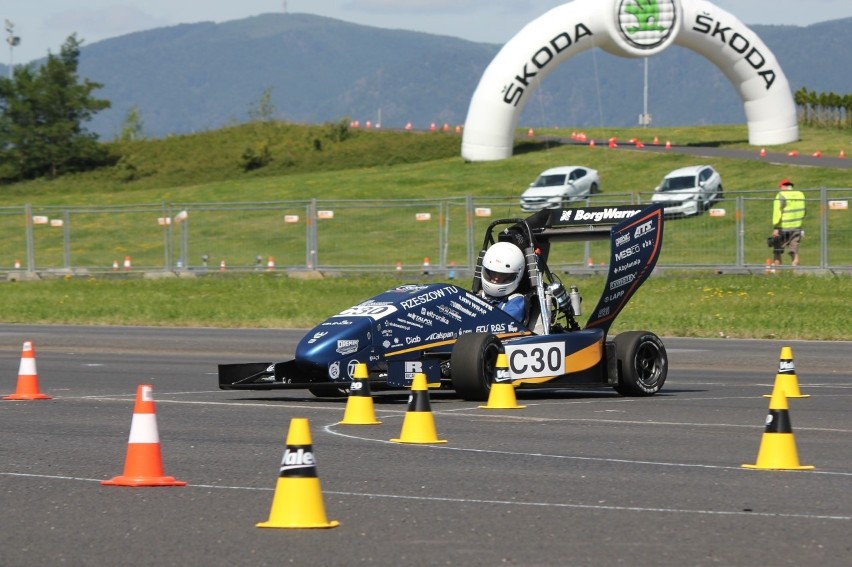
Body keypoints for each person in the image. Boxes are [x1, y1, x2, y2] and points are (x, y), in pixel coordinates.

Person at [479, 241, 526, 321]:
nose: (496, 278)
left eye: (503, 275)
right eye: (493, 273)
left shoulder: (516, 301)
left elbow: (504, 323)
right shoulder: (480, 296)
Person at [771, 178, 806, 267]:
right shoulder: (800, 194)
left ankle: (778, 273)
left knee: (777, 250)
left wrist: (776, 227)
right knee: (794, 251)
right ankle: (796, 272)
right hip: (797, 227)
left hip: (783, 228)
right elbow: (804, 211)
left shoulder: (781, 195)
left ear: (783, 186)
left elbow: (777, 212)